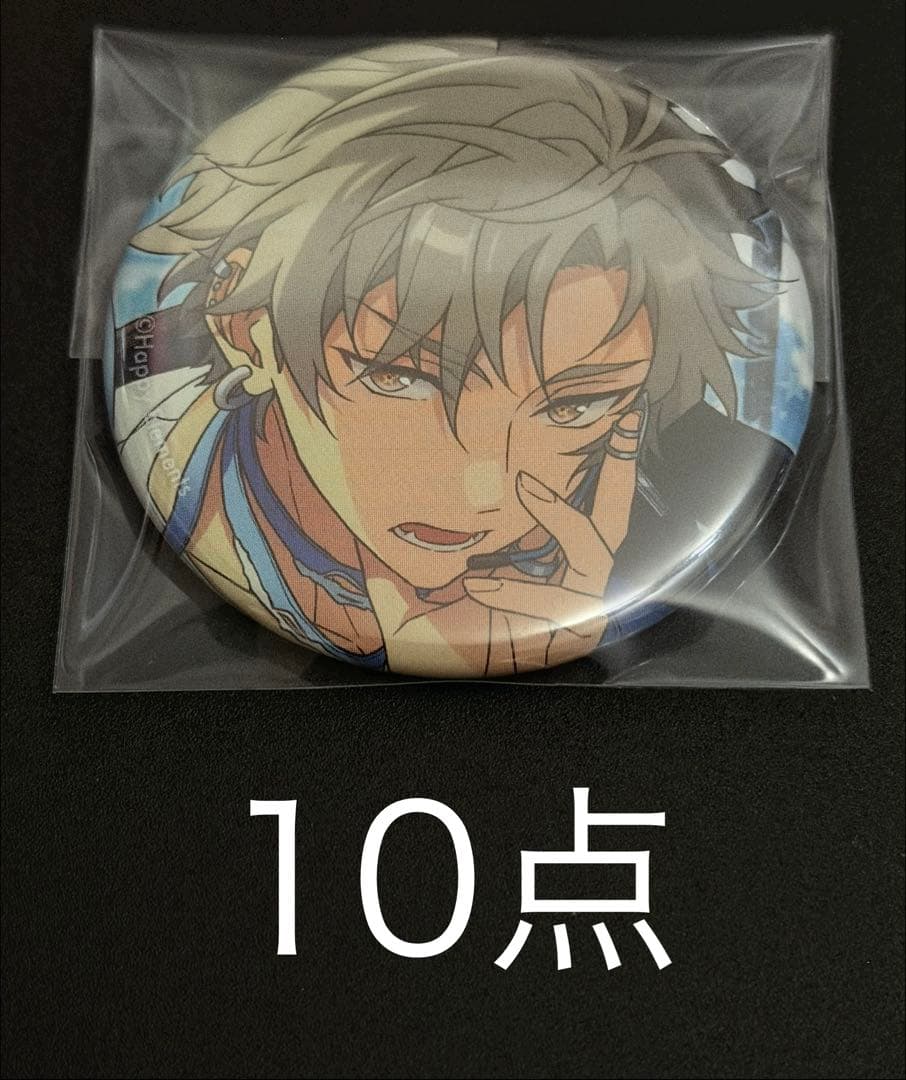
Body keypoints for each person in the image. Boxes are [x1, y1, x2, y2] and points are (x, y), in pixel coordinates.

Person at [111, 43, 789, 676]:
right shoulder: (167, 445)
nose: (480, 494)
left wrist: (585, 613)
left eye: (572, 405)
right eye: (398, 377)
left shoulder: (690, 503)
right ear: (244, 328)